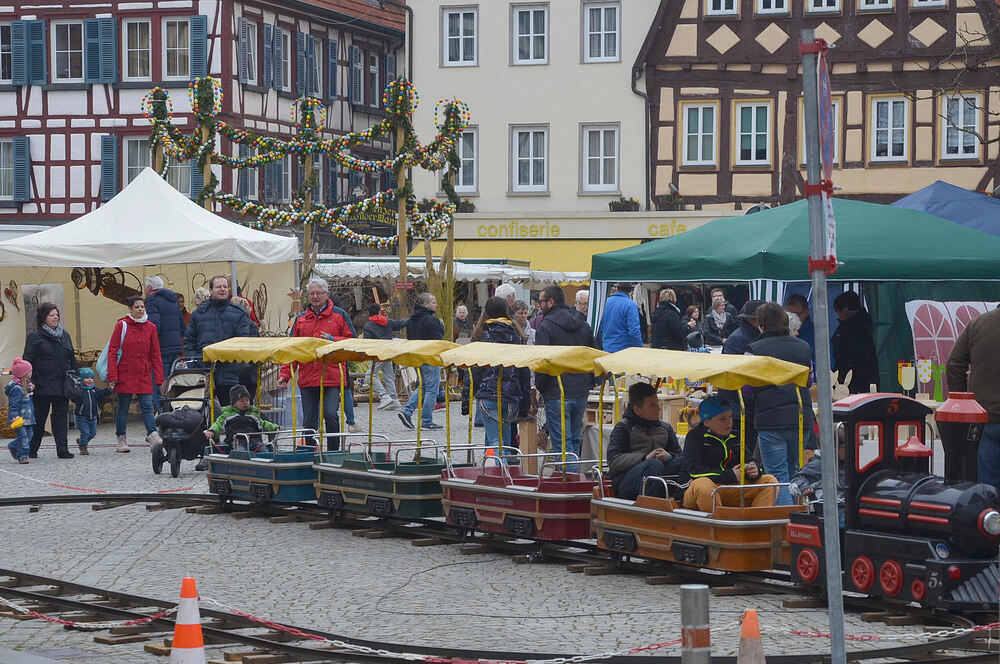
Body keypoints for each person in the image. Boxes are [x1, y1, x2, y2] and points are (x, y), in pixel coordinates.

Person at [748, 302, 814, 506]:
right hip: (801, 416)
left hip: (771, 420)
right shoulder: (803, 347)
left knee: (777, 475)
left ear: (762, 324)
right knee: (795, 471)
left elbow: (747, 388)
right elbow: (809, 381)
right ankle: (797, 521)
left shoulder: (754, 349)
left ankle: (784, 523)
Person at [278, 278, 354, 448]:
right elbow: (292, 349)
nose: (315, 296)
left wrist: (333, 339)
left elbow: (352, 341)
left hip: (332, 376)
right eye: (311, 293)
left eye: (318, 293)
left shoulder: (340, 315)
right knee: (309, 420)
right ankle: (309, 451)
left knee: (331, 414)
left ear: (327, 295)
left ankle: (334, 452)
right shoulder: (301, 319)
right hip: (308, 376)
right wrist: (285, 374)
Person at [534, 285, 596, 469]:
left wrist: (540, 388)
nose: (539, 305)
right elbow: (592, 355)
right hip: (580, 389)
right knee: (574, 442)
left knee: (563, 445)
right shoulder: (583, 324)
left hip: (557, 390)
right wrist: (589, 382)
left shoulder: (546, 326)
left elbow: (542, 363)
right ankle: (574, 476)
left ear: (551, 302)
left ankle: (569, 483)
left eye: (541, 301)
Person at [682, 396, 777, 512]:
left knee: (770, 481)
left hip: (730, 488)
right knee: (703, 485)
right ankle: (719, 525)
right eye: (722, 419)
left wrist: (754, 469)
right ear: (707, 422)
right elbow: (694, 471)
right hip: (699, 491)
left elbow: (748, 459)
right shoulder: (695, 437)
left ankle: (754, 524)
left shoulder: (735, 436)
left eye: (730, 417)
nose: (729, 422)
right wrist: (729, 475)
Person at [468, 297, 531, 457]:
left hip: (488, 393)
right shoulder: (516, 334)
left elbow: (474, 370)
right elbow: (523, 370)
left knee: (495, 440)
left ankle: (498, 473)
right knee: (504, 437)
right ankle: (497, 469)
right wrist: (525, 402)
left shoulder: (482, 334)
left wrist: (466, 399)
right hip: (511, 394)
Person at [946, 306, 1000, 491]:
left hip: (984, 419)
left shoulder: (977, 324)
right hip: (985, 419)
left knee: (987, 489)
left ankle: (991, 518)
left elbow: (954, 364)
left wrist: (962, 401)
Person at [183, 275, 252, 408]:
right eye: (218, 287)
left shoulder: (238, 314)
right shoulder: (199, 314)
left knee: (229, 412)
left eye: (225, 287)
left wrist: (236, 367)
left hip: (229, 372)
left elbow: (243, 343)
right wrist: (195, 362)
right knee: (201, 412)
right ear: (211, 290)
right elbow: (189, 340)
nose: (222, 290)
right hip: (203, 372)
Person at [607, 382, 684, 500]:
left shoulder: (665, 428)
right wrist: (645, 458)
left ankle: (681, 503)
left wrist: (670, 457)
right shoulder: (623, 427)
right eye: (652, 405)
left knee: (686, 461)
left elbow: (679, 455)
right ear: (637, 410)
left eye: (657, 403)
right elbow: (614, 460)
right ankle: (651, 506)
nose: (658, 408)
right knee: (654, 464)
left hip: (661, 477)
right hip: (627, 482)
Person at [108, 296, 164, 453]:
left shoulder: (151, 327)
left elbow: (155, 353)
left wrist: (159, 378)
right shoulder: (122, 325)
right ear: (130, 309)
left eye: (142, 307)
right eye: (137, 307)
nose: (140, 309)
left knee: (147, 405)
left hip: (143, 373)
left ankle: (152, 435)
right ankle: (121, 438)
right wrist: (112, 376)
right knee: (123, 407)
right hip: (124, 372)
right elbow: (113, 351)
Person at [23, 302, 78, 459]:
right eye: (51, 315)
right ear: (43, 318)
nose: (55, 317)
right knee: (39, 418)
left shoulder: (64, 335)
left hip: (62, 383)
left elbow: (72, 358)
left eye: (57, 315)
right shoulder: (35, 337)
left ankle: (62, 449)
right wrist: (30, 381)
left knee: (61, 416)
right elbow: (27, 361)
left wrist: (76, 377)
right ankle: (32, 449)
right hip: (42, 384)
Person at [720, 300, 764, 453]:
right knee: (744, 451)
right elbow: (732, 374)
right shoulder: (739, 338)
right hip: (739, 406)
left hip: (744, 405)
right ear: (753, 320)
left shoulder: (747, 336)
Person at [398, 292, 445, 431]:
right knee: (432, 389)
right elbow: (438, 339)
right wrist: (440, 326)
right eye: (434, 302)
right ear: (425, 304)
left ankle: (407, 411)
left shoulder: (412, 320)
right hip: (430, 357)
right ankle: (426, 420)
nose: (436, 304)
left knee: (423, 386)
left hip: (418, 356)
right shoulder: (431, 320)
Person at [144, 275, 186, 412]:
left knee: (158, 384)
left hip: (161, 348)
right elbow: (181, 326)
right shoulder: (173, 300)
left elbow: (154, 326)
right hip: (174, 347)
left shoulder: (151, 300)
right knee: (170, 382)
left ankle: (163, 415)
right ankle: (172, 412)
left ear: (149, 288)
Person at [204, 384, 279, 452]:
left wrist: (273, 427)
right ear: (234, 404)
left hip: (254, 441)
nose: (245, 403)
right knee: (241, 452)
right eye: (241, 401)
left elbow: (263, 423)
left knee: (264, 450)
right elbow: (218, 424)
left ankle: (264, 463)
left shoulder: (253, 414)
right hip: (238, 443)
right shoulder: (228, 415)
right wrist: (212, 431)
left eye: (247, 400)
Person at [831, 291, 879, 393]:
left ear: (845, 310)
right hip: (865, 379)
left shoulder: (850, 329)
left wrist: (840, 375)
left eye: (838, 312)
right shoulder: (865, 325)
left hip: (851, 382)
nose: (838, 316)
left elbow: (852, 358)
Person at [362, 302, 407, 411]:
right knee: (389, 377)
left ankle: (384, 396)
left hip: (378, 354)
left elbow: (366, 342)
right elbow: (400, 323)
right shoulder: (387, 321)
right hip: (388, 351)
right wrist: (412, 319)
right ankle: (394, 400)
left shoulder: (368, 325)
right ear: (379, 311)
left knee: (369, 376)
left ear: (369, 313)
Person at [72, 367, 112, 456]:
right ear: (81, 379)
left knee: (93, 433)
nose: (89, 380)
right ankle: (83, 447)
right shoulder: (80, 390)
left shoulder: (95, 390)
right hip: (82, 416)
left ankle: (82, 440)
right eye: (86, 378)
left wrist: (109, 389)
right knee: (85, 432)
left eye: (91, 378)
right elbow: (74, 398)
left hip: (93, 417)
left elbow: (102, 394)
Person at [598, 283, 642, 352]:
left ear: (617, 288)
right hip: (624, 350)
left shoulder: (605, 302)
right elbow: (634, 330)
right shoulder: (631, 305)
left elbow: (600, 326)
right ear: (630, 290)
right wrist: (639, 348)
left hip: (606, 347)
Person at [5, 357, 34, 464]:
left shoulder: (26, 386)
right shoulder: (17, 389)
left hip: (29, 416)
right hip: (19, 418)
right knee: (24, 437)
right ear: (24, 373)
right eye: (29, 371)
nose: (31, 373)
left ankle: (13, 446)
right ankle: (23, 456)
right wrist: (14, 416)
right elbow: (14, 405)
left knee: (30, 436)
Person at [784, 294, 815, 363]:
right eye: (789, 314)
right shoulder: (779, 332)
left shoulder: (817, 334)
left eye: (796, 314)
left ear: (806, 312)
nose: (792, 317)